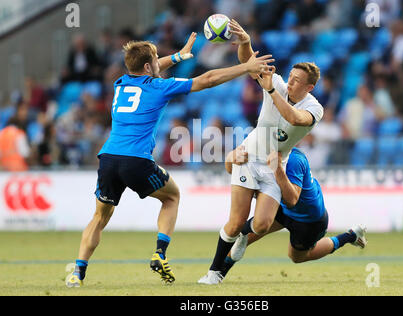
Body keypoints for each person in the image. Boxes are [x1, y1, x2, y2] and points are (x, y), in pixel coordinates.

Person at [66, 32, 274, 287]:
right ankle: (159, 253)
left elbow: (148, 67)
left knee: (99, 217)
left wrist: (177, 56)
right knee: (171, 196)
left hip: (108, 157)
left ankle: (77, 272)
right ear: (147, 66)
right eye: (155, 60)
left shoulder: (120, 84)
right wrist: (246, 67)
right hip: (136, 161)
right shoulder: (159, 87)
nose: (159, 63)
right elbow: (206, 79)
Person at [199, 20, 324, 284]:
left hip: (274, 164)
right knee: (235, 222)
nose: (290, 82)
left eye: (297, 80)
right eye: (290, 76)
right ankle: (213, 273)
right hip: (248, 157)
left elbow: (292, 117)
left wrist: (269, 89)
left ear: (309, 88)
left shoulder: (314, 108)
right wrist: (245, 43)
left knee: (263, 224)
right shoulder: (276, 83)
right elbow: (249, 63)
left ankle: (244, 238)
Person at [219, 146, 368, 282]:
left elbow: (292, 200)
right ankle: (217, 274)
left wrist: (276, 169)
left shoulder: (295, 159)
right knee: (244, 236)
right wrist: (230, 157)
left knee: (296, 257)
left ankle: (349, 236)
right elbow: (234, 171)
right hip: (283, 209)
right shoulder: (257, 151)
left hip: (309, 219)